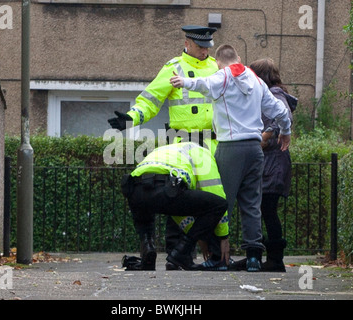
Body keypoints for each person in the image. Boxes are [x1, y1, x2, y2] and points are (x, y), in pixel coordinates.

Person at [170, 44, 292, 272]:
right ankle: (254, 257)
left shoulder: (222, 76)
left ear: (218, 63)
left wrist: (183, 82)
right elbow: (280, 111)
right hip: (255, 149)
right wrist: (286, 132)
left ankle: (217, 257)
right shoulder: (256, 81)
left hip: (230, 147)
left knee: (220, 202)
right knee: (252, 203)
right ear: (239, 58)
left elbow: (204, 85)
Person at [108, 25, 220, 270]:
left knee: (214, 200)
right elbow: (150, 100)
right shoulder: (173, 68)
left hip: (212, 144)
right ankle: (176, 253)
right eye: (201, 46)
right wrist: (130, 118)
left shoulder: (216, 68)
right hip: (183, 143)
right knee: (179, 197)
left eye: (208, 47)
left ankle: (214, 256)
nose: (205, 51)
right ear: (187, 43)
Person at [120, 142, 229, 271]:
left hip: (135, 190)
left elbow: (178, 213)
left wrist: (198, 235)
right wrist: (223, 237)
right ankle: (180, 254)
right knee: (220, 204)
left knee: (145, 217)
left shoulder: (165, 149)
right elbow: (215, 191)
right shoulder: (204, 153)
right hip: (168, 189)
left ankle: (148, 249)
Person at [250, 58, 297, 272]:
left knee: (267, 209)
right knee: (264, 210)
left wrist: (263, 138)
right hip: (272, 162)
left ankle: (275, 260)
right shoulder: (270, 94)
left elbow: (282, 118)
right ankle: (267, 258)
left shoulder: (275, 95)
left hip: (273, 163)